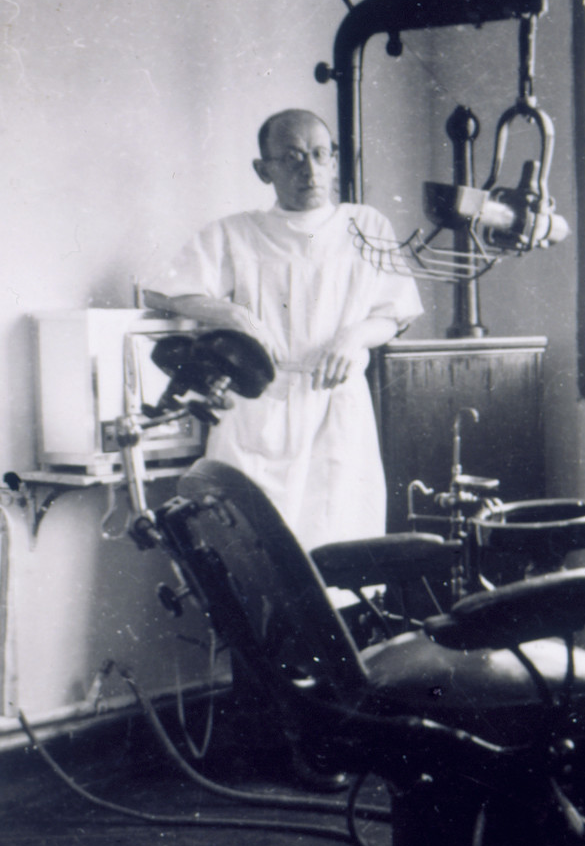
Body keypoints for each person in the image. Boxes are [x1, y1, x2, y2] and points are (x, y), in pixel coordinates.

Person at [145, 108, 422, 552]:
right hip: (258, 408)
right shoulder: (237, 232)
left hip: (336, 406)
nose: (309, 170)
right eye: (292, 157)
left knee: (339, 541)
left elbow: (394, 311)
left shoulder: (365, 227)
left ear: (333, 160)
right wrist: (233, 315)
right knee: (250, 552)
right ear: (263, 169)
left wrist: (353, 338)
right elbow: (161, 292)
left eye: (318, 155)